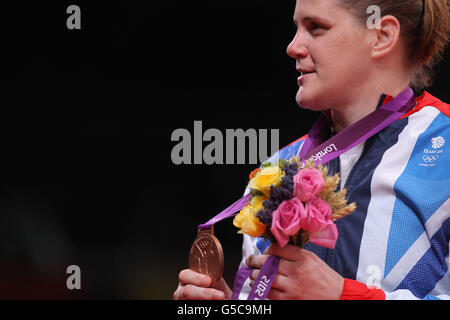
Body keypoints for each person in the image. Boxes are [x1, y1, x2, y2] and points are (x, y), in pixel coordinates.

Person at [174, 0, 450, 300]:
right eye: (297, 29)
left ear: (380, 36)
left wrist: (342, 296)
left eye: (316, 27)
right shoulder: (275, 171)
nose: (293, 47)